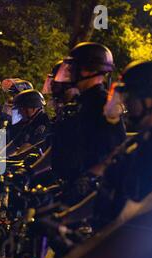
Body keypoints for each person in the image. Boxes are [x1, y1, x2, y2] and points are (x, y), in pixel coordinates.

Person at [92, 60, 152, 228]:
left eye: (132, 96)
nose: (127, 104)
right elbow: (107, 193)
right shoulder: (133, 146)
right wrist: (65, 217)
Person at [51, 43, 126, 186]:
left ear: (87, 70)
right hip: (65, 186)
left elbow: (117, 151)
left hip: (91, 195)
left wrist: (88, 179)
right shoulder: (78, 103)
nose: (69, 71)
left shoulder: (102, 104)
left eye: (74, 67)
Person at [6, 89, 51, 158]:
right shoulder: (31, 123)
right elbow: (14, 144)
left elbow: (28, 147)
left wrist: (8, 159)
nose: (19, 112)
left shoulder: (43, 123)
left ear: (32, 108)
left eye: (21, 109)